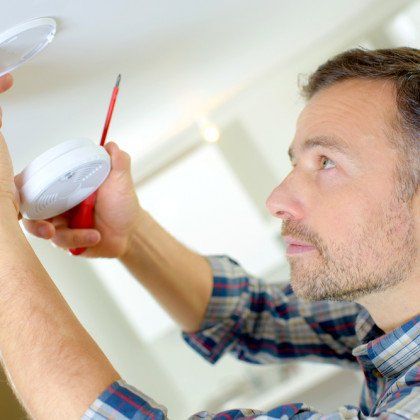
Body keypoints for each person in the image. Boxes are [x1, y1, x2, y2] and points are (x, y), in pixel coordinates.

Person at [0, 47, 418, 419]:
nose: (276, 198)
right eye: (297, 163)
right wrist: (130, 236)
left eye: (326, 162)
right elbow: (255, 316)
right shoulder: (386, 316)